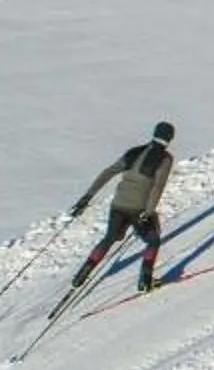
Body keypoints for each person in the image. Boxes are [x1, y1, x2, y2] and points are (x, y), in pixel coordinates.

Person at [69, 120, 177, 296]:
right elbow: (158, 187)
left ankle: (81, 275)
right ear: (170, 138)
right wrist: (148, 212)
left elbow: (108, 172)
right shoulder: (165, 159)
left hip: (118, 205)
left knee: (109, 238)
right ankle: (145, 281)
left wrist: (86, 198)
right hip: (139, 209)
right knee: (153, 241)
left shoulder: (135, 152)